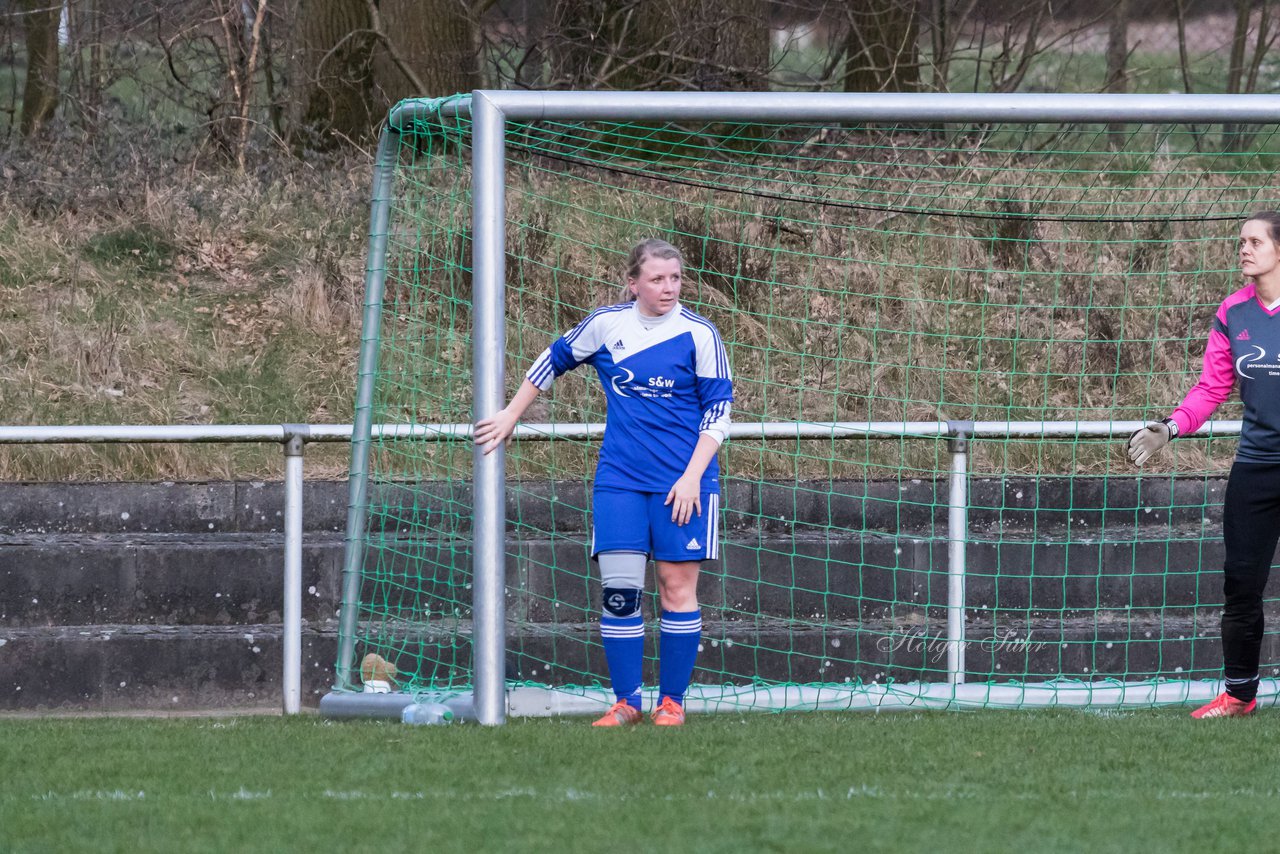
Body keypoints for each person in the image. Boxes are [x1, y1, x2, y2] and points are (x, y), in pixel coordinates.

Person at [474, 238, 733, 727]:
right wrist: (511, 414)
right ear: (632, 282)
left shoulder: (700, 335)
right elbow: (553, 360)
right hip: (619, 481)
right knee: (620, 593)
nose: (668, 288)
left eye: (675, 278)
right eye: (657, 279)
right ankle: (626, 703)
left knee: (675, 588)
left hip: (685, 482)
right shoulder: (606, 325)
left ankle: (672, 703)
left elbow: (719, 413)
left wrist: (693, 477)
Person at [1128, 210, 1280, 718]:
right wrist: (1169, 427)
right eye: (1241, 242)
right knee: (1240, 584)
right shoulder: (1233, 312)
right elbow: (1212, 387)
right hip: (1256, 468)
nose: (1244, 249)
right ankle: (1240, 695)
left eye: (1255, 241)